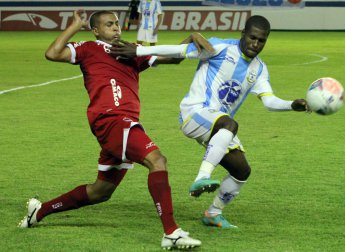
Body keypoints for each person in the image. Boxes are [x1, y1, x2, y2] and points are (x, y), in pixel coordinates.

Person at [17, 10, 213, 249]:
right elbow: (52, 53)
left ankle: (39, 211)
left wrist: (190, 39)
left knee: (100, 192)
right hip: (111, 120)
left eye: (117, 23)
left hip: (122, 124)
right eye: (109, 25)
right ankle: (171, 232)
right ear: (96, 30)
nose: (116, 28)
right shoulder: (89, 48)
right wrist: (74, 25)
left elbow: (171, 58)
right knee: (158, 161)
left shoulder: (131, 49)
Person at [108, 15, 310, 229]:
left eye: (261, 41)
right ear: (243, 34)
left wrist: (291, 105)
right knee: (230, 124)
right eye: (252, 38)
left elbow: (269, 101)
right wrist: (139, 51)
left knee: (241, 170)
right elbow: (179, 51)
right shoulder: (219, 47)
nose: (255, 44)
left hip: (216, 124)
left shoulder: (259, 69)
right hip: (194, 112)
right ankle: (202, 177)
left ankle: (213, 213)